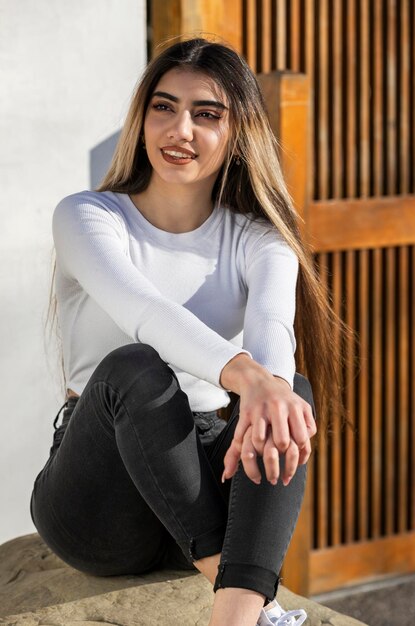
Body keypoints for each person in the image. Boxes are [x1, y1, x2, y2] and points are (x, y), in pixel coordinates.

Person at [30, 37, 341, 626]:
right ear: (141, 118)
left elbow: (274, 328)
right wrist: (249, 377)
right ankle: (256, 597)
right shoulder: (89, 216)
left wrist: (269, 385)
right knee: (134, 365)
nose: (180, 130)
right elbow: (145, 310)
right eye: (163, 107)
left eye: (206, 115)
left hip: (203, 481)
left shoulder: (261, 237)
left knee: (289, 390)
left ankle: (236, 616)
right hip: (100, 501)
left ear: (237, 131)